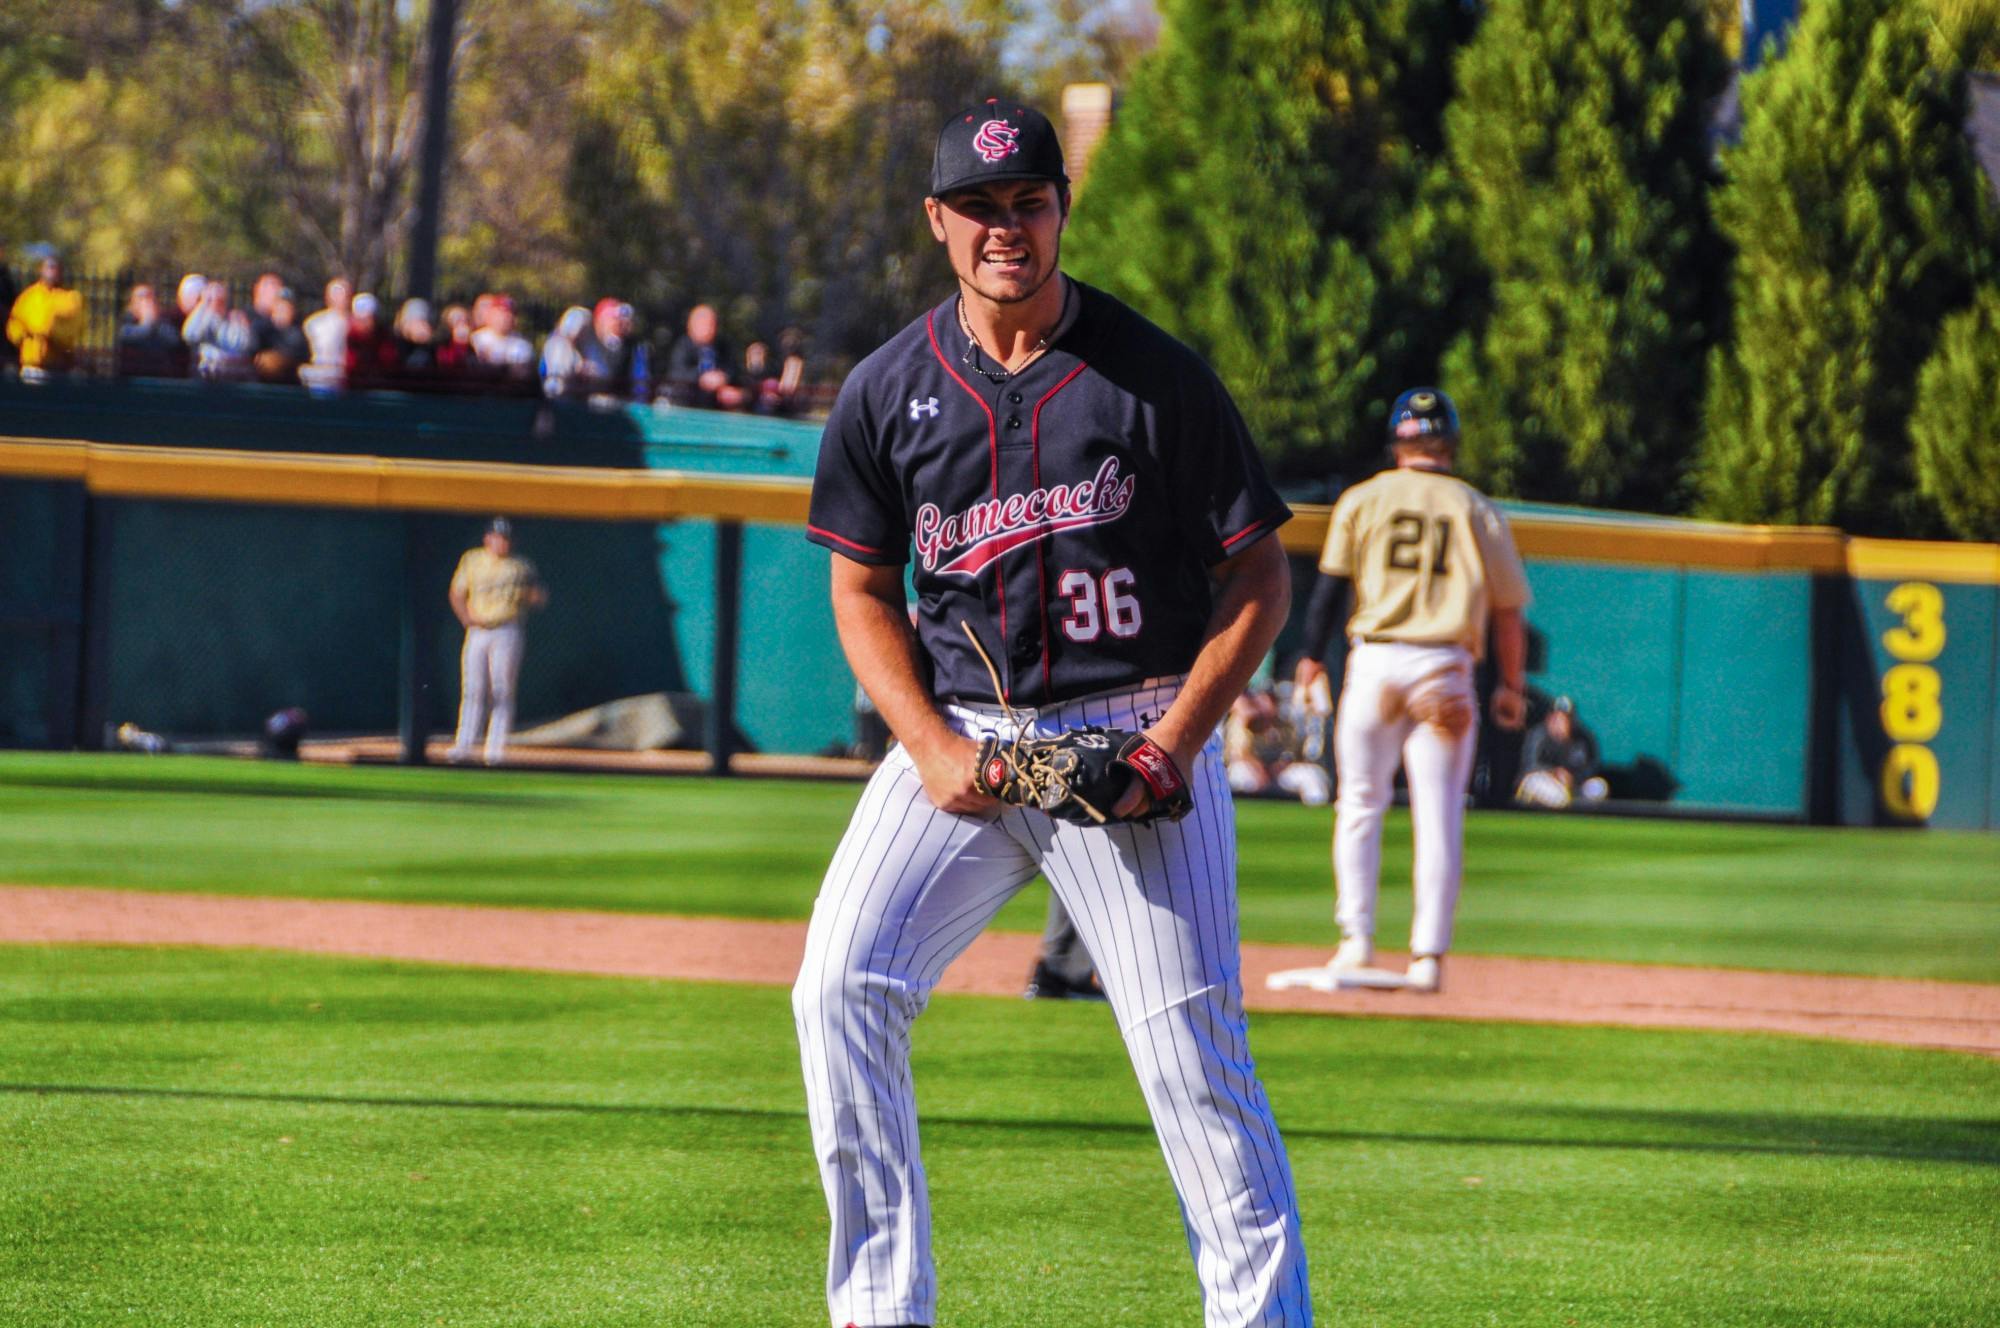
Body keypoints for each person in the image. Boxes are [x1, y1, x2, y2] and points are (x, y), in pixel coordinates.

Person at [794, 98, 1310, 1328]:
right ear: (937, 222)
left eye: (1025, 201)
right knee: (838, 986)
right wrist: (925, 747)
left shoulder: (1155, 379)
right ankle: (879, 1309)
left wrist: (1170, 743)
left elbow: (1258, 576)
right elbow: (860, 587)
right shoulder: (887, 389)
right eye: (976, 208)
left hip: (1131, 726)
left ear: (1060, 207)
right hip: (967, 730)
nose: (1003, 228)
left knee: (1191, 1061)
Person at [1275, 387, 1530, 996]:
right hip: (1445, 665)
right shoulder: (1476, 506)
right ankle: (1427, 958)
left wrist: (1312, 658)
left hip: (1377, 662)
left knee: (1359, 803)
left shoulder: (1363, 498)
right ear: (1450, 443)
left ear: (1398, 442)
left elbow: (1331, 591)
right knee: (1438, 813)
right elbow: (1509, 612)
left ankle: (1356, 940)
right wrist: (1513, 686)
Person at [446, 517, 547, 765]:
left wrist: (534, 597)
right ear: (487, 538)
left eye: (506, 538)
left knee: (501, 690)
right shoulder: (473, 559)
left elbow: (538, 597)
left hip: (507, 629)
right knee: (473, 689)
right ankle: (464, 746)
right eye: (497, 536)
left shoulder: (521, 566)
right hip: (479, 630)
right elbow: (456, 592)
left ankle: (495, 749)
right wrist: (466, 618)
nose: (502, 542)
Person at [1514, 696, 1608, 809]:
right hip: (1546, 782)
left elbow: (1591, 767)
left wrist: (1573, 778)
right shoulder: (1537, 736)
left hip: (1574, 786)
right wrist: (1553, 772)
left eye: (1563, 718)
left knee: (1598, 786)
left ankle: (1583, 818)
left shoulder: (1583, 738)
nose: (1558, 722)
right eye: (1555, 717)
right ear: (1548, 718)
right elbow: (1529, 766)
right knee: (1536, 783)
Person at [6, 251, 86, 379]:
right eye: (49, 267)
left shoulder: (71, 298)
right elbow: (14, 322)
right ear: (41, 269)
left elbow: (75, 327)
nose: (52, 271)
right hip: (30, 364)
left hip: (57, 365)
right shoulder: (28, 296)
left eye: (56, 268)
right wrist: (22, 334)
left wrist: (51, 332)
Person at [664, 302, 743, 408]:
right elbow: (676, 373)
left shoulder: (723, 346)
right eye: (705, 324)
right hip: (688, 403)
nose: (710, 329)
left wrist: (724, 379)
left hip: (717, 406)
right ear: (691, 325)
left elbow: (733, 370)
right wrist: (702, 379)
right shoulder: (682, 346)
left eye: (713, 324)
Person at [181, 279, 255, 380]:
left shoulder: (235, 321)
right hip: (202, 384)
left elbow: (241, 344)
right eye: (210, 299)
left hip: (233, 383)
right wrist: (205, 307)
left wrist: (241, 325)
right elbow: (190, 335)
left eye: (219, 299)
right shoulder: (199, 321)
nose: (215, 302)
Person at [115, 283, 187, 378]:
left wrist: (156, 323)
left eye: (149, 297)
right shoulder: (125, 321)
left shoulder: (164, 321)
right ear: (132, 303)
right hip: (132, 380)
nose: (146, 302)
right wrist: (148, 322)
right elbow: (126, 337)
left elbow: (174, 341)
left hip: (160, 379)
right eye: (141, 297)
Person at [301, 276, 352, 391]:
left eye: (344, 293)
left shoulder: (355, 324)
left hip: (347, 380)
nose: (341, 298)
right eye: (337, 293)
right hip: (321, 379)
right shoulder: (315, 323)